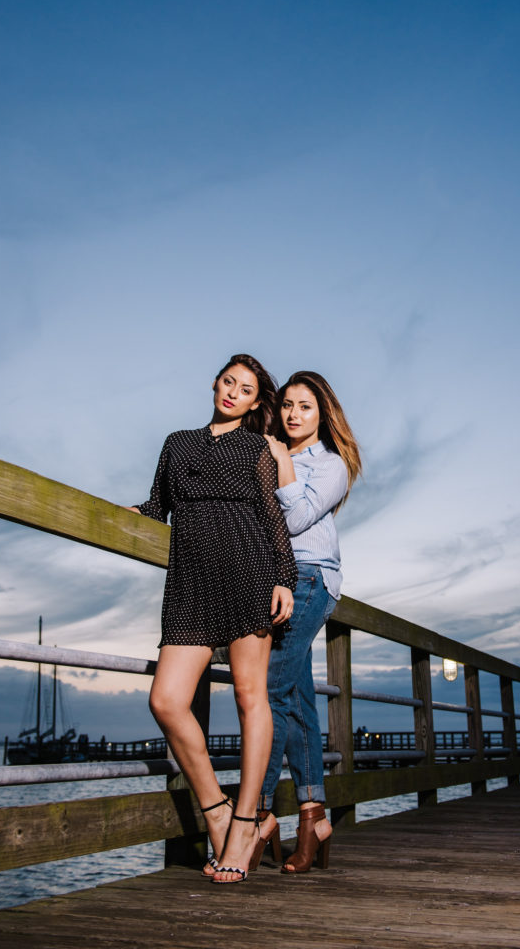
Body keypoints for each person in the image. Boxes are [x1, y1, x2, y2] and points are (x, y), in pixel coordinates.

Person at [125, 353, 297, 885]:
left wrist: (284, 576)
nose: (233, 393)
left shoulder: (257, 447)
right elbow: (158, 506)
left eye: (245, 389)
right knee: (166, 699)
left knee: (251, 698)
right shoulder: (176, 442)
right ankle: (216, 810)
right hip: (190, 585)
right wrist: (123, 516)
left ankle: (246, 824)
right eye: (229, 382)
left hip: (249, 572)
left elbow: (272, 514)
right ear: (216, 384)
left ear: (253, 403)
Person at [256, 370, 362, 873]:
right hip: (269, 580)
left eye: (306, 406)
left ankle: (254, 814)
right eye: (289, 405)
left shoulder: (330, 465)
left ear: (323, 416)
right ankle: (312, 815)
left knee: (267, 688)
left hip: (309, 579)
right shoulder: (266, 451)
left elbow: (295, 520)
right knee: (295, 697)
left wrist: (281, 463)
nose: (294, 414)